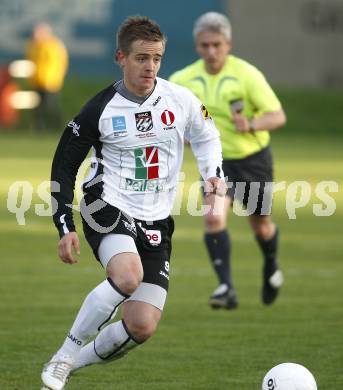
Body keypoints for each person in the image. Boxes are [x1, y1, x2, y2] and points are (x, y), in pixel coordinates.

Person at [41, 15, 225, 390]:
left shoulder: (181, 100)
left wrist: (213, 174)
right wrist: (64, 226)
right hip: (106, 205)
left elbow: (207, 134)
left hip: (156, 220)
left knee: (142, 325)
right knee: (127, 276)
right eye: (142, 58)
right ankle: (64, 353)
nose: (150, 66)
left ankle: (70, 365)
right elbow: (63, 168)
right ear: (120, 57)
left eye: (156, 58)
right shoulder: (99, 110)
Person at [169, 12, 287, 310]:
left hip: (252, 160)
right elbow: (170, 120)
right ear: (197, 45)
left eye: (216, 45)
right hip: (215, 164)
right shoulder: (182, 80)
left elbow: (278, 116)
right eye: (205, 45)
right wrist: (180, 134)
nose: (211, 51)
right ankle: (226, 287)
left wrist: (252, 124)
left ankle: (271, 263)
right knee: (213, 217)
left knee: (260, 225)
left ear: (228, 44)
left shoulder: (247, 75)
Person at [26, 22, 68, 131]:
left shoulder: (54, 46)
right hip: (36, 81)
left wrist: (54, 78)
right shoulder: (33, 46)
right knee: (36, 107)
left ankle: (59, 128)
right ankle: (39, 129)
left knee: (51, 106)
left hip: (49, 81)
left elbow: (59, 63)